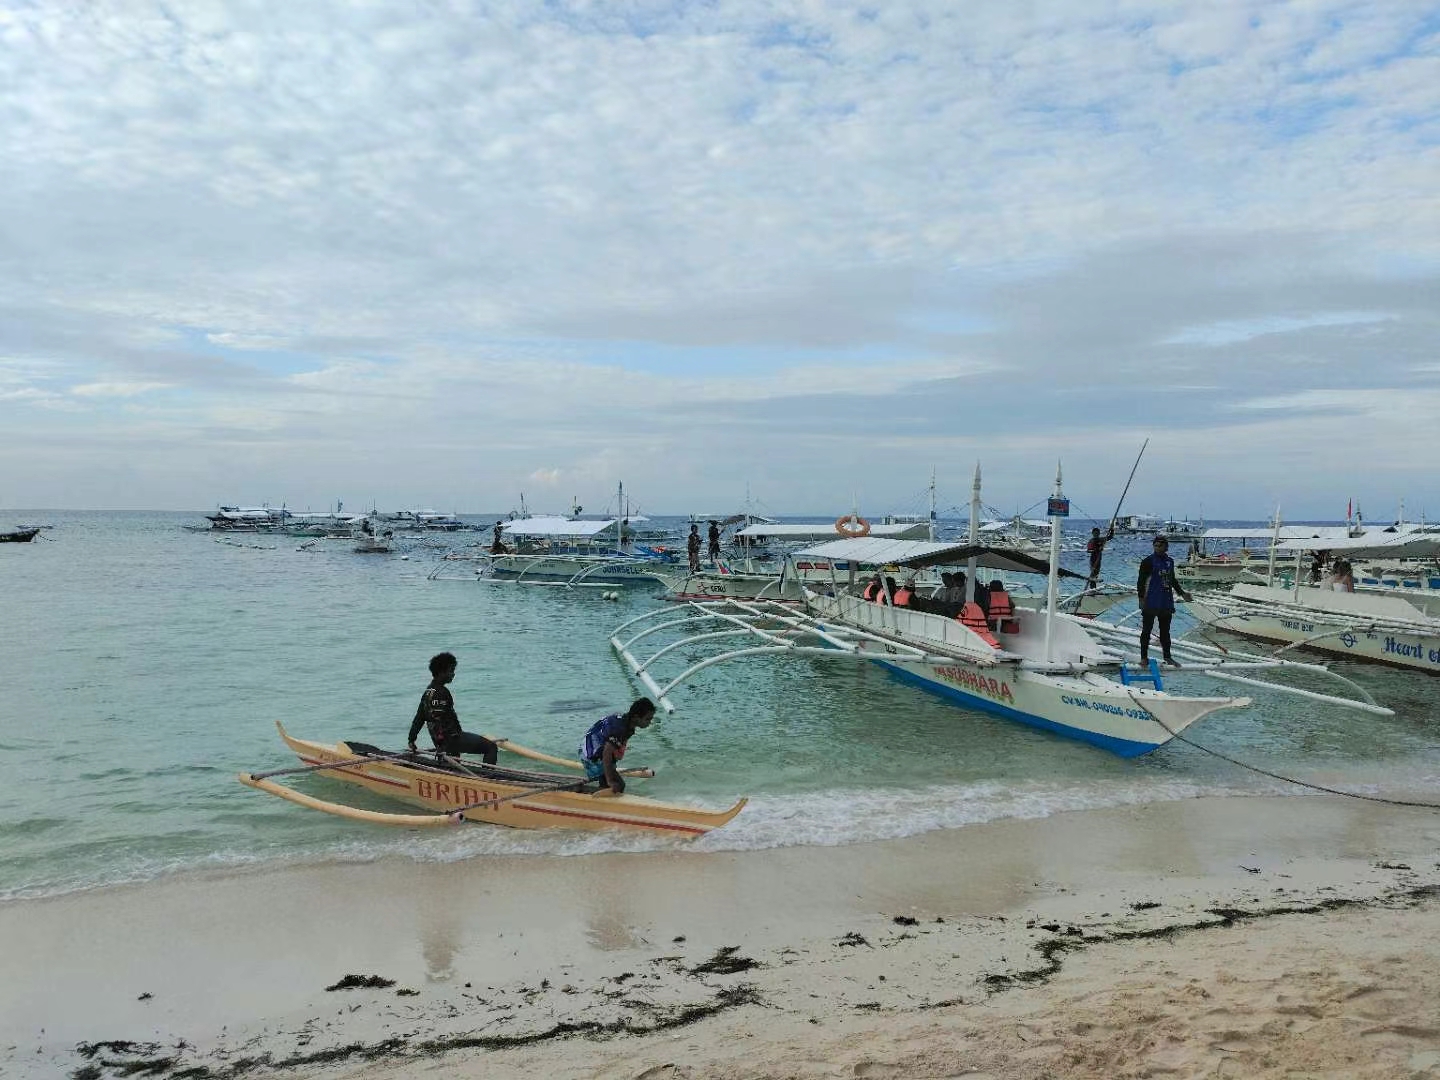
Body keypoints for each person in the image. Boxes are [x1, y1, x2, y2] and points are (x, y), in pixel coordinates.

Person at [406, 652, 500, 764]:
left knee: (454, 765)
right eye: (451, 671)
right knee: (491, 747)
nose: (453, 674)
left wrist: (411, 739)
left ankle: (453, 771)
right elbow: (438, 721)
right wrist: (442, 746)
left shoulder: (428, 691)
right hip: (451, 739)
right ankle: (488, 778)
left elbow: (419, 717)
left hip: (443, 741)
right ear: (441, 672)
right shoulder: (441, 692)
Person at [1136, 536, 1192, 667]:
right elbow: (1141, 582)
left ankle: (1168, 657)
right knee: (1146, 630)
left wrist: (1182, 594)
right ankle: (1144, 657)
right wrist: (1140, 598)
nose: (1157, 548)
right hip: (1150, 601)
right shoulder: (1147, 561)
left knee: (1165, 632)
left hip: (1166, 601)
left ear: (1166, 547)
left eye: (1160, 545)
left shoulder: (1170, 561)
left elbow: (1172, 580)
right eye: (1155, 545)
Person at [579, 698, 655, 794]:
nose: (649, 722)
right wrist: (610, 780)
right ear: (636, 717)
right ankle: (587, 796)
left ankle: (599, 793)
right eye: (647, 719)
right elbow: (606, 753)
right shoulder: (620, 729)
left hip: (592, 749)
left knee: (613, 783)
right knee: (618, 785)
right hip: (591, 755)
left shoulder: (626, 723)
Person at [1086, 525, 1114, 590]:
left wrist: (1112, 530)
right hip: (1093, 559)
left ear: (1099, 533)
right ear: (1092, 534)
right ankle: (1092, 589)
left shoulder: (1101, 539)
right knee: (1093, 574)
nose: (1096, 534)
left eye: (1097, 533)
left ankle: (1094, 589)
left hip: (1099, 559)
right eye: (1095, 533)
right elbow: (1088, 550)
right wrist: (1097, 549)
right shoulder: (1091, 541)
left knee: (1096, 574)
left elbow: (1110, 537)